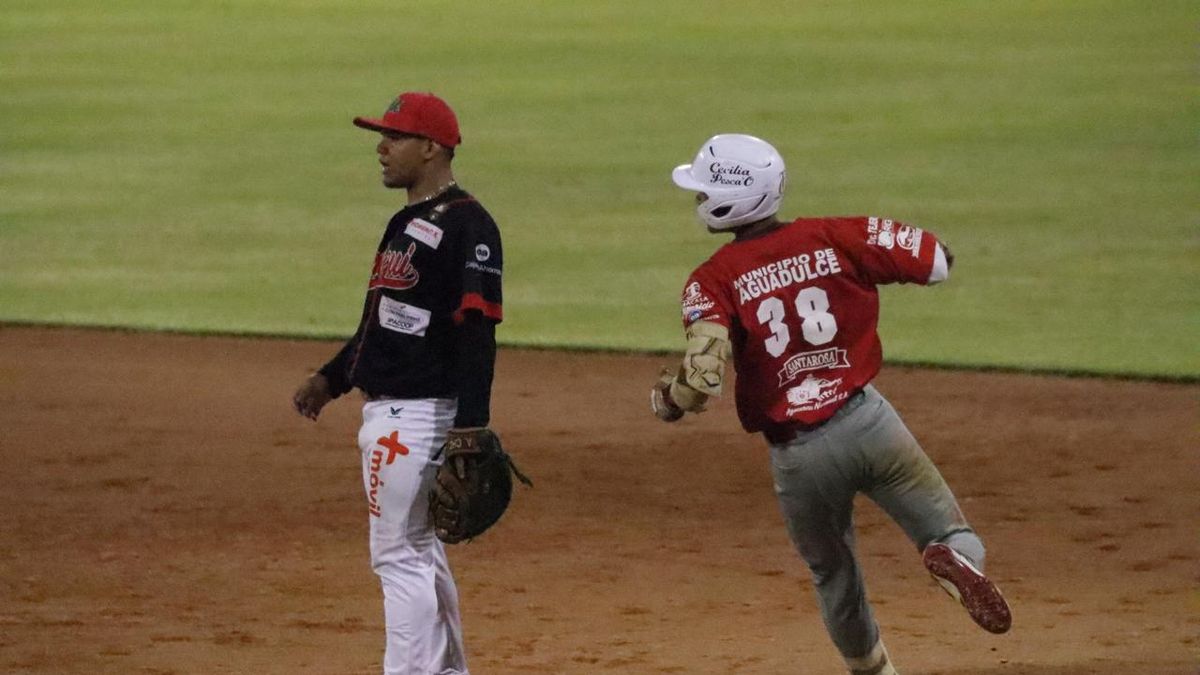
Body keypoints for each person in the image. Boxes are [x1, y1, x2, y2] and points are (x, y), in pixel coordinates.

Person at [650, 133, 1011, 675]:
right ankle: (956, 561)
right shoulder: (835, 236)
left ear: (732, 198)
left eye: (704, 190)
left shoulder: (712, 280)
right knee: (948, 531)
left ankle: (874, 671)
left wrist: (670, 403)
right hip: (869, 422)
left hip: (801, 458)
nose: (699, 199)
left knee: (835, 574)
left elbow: (702, 377)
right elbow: (937, 260)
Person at [293, 91, 504, 675]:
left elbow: (478, 332)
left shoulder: (469, 224)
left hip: (417, 417)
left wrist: (470, 424)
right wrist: (332, 379)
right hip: (398, 412)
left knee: (398, 557)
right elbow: (383, 322)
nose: (381, 149)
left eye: (394, 138)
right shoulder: (407, 221)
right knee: (418, 550)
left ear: (432, 147)